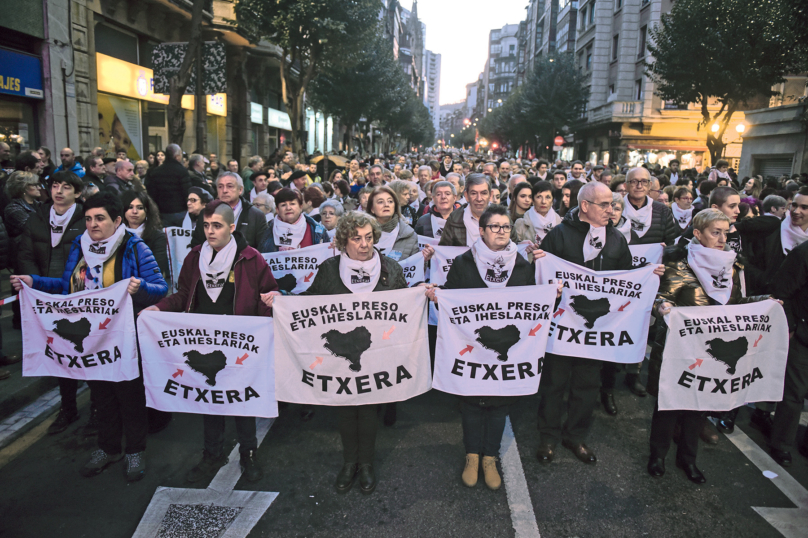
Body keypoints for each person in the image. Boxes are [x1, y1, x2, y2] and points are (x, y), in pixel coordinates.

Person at [11, 192, 167, 481]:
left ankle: (134, 450)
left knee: (129, 396)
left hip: (124, 338)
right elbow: (66, 285)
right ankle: (107, 448)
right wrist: (34, 282)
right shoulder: (79, 247)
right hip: (92, 341)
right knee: (101, 396)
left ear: (117, 221)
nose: (93, 225)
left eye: (100, 218)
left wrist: (140, 287)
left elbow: (161, 287)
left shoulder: (134, 247)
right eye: (88, 219)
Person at [271, 211, 409, 494]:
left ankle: (366, 463)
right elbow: (310, 303)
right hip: (342, 357)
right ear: (344, 240)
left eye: (369, 237)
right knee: (346, 409)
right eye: (357, 238)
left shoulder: (390, 268)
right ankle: (350, 462)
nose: (364, 244)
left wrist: (423, 293)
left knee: (369, 409)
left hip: (377, 352)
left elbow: (406, 306)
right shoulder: (330, 269)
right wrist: (282, 301)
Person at [142, 200, 278, 482]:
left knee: (243, 401)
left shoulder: (251, 258)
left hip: (241, 344)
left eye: (217, 225)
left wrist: (275, 302)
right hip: (205, 341)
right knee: (210, 399)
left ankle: (249, 454)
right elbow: (182, 295)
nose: (210, 231)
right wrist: (159, 308)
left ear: (231, 226)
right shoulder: (194, 257)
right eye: (205, 225)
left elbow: (268, 295)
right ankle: (212, 454)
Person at [536, 182, 665, 465]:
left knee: (586, 385)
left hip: (597, 328)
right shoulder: (558, 235)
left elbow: (627, 280)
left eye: (613, 204)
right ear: (585, 207)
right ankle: (548, 437)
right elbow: (541, 276)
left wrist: (648, 274)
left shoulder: (617, 239)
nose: (612, 210)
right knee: (554, 384)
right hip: (562, 326)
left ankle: (575, 436)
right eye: (604, 205)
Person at [427, 205, 550, 490]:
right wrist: (438, 297)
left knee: (499, 400)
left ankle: (490, 457)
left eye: (505, 227)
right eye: (494, 227)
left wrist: (548, 295)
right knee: (471, 399)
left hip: (506, 350)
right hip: (472, 345)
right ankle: (472, 455)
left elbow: (530, 305)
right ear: (481, 231)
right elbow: (452, 298)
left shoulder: (521, 264)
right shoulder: (464, 263)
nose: (500, 232)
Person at [647, 209, 772, 482]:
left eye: (726, 232)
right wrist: (662, 306)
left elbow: (736, 304)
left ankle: (687, 460)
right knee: (668, 406)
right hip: (678, 350)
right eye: (716, 232)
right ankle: (657, 456)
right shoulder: (678, 265)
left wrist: (767, 301)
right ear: (698, 234)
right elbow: (657, 297)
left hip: (711, 352)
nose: (722, 238)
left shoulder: (732, 266)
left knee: (699, 406)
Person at [16, 171, 88, 432]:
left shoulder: (86, 218)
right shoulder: (37, 219)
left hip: (78, 297)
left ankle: (97, 408)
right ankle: (67, 408)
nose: (59, 191)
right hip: (47, 295)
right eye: (55, 185)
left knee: (87, 350)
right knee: (60, 354)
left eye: (66, 187)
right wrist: (37, 283)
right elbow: (24, 254)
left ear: (77, 193)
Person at [191, 172, 267, 250]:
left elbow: (262, 249)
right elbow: (197, 245)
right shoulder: (205, 212)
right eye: (220, 187)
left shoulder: (256, 215)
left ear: (240, 190)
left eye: (229, 186)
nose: (224, 190)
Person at [258, 188, 325, 253]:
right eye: (283, 205)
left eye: (292, 204)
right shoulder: (267, 231)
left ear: (300, 207)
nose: (288, 208)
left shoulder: (318, 230)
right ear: (277, 210)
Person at [439, 174, 492, 247]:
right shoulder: (455, 218)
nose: (479, 199)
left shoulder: (502, 217)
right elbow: (444, 250)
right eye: (474, 193)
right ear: (466, 196)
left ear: (490, 195)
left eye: (484, 193)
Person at [146, 144, 192, 227]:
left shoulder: (156, 172)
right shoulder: (182, 171)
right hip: (180, 210)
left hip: (162, 211)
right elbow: (187, 191)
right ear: (177, 156)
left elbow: (152, 193)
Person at [512, 181, 561, 248]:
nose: (543, 201)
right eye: (539, 197)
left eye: (548, 197)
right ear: (533, 200)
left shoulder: (560, 223)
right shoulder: (521, 223)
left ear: (552, 201)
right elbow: (513, 249)